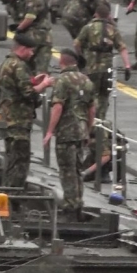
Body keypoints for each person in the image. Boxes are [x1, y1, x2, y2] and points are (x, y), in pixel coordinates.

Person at [0, 32, 53, 191]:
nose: (32, 53)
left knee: (11, 161)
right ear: (22, 48)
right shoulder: (19, 66)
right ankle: (13, 198)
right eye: (30, 50)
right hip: (19, 121)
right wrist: (44, 85)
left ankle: (5, 196)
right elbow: (28, 93)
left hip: (8, 119)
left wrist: (34, 81)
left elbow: (15, 88)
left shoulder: (6, 63)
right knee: (21, 163)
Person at [43, 48, 95, 218]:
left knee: (66, 170)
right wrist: (88, 130)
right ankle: (78, 204)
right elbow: (91, 109)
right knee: (78, 170)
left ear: (61, 62)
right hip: (81, 132)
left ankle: (70, 208)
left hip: (66, 132)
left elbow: (58, 107)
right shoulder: (86, 81)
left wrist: (50, 131)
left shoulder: (62, 81)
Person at [74, 1, 131, 120]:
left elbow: (77, 44)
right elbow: (122, 48)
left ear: (96, 14)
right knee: (104, 96)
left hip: (92, 68)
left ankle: (91, 122)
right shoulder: (113, 29)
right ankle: (101, 121)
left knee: (90, 96)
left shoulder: (88, 27)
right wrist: (127, 66)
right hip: (107, 70)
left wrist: (80, 56)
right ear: (108, 15)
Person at [15, 0, 52, 73]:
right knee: (42, 68)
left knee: (25, 65)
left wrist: (19, 28)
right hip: (46, 36)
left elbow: (30, 17)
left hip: (34, 34)